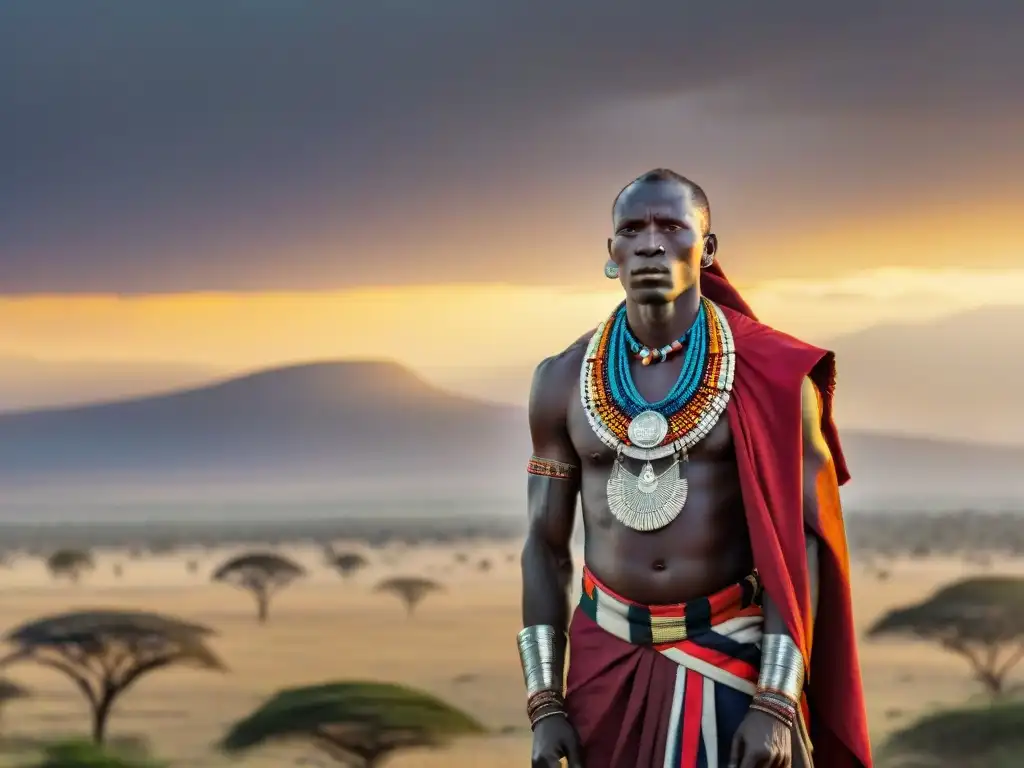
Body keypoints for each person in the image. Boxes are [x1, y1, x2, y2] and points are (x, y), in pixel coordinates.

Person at [517, 169, 872, 768]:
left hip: (734, 657)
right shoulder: (560, 379)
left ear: (705, 249)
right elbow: (544, 546)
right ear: (612, 253)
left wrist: (776, 699)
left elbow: (806, 544)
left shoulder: (775, 377)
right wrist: (545, 703)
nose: (650, 243)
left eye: (671, 226)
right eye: (631, 229)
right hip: (607, 658)